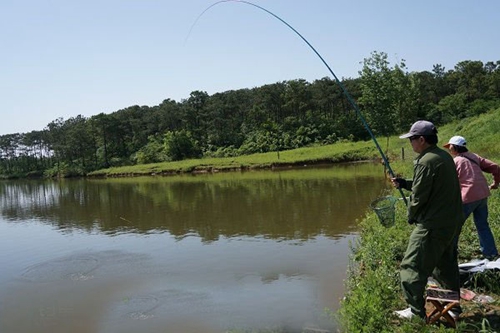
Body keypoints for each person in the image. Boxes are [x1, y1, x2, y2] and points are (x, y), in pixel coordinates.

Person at [391, 120, 463, 320]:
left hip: (433, 225)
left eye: (412, 139)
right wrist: (404, 183)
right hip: (450, 223)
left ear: (421, 140)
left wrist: (411, 215)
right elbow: (428, 184)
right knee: (445, 266)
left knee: (411, 267)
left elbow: (419, 196)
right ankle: (453, 309)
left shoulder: (425, 161)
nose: (410, 143)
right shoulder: (443, 156)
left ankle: (416, 313)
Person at [444, 135, 500, 260]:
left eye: (449, 147)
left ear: (453, 147)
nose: (449, 149)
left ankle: (450, 255)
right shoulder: (474, 157)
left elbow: (449, 182)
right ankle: (491, 253)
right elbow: (496, 167)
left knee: (454, 226)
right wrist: (495, 183)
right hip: (482, 195)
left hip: (468, 196)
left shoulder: (456, 161)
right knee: (482, 225)